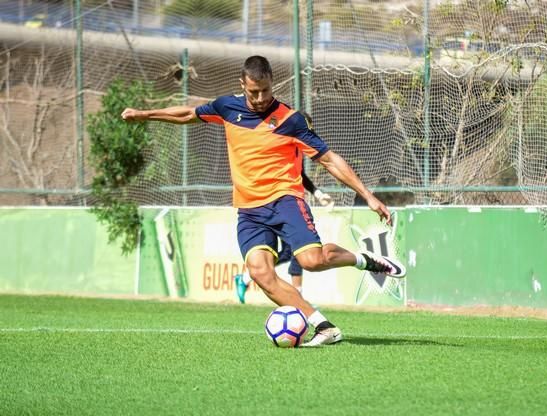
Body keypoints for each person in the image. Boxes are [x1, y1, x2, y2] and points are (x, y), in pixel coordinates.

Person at [121, 55, 405, 347]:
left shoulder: (290, 120)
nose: (259, 98)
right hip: (248, 209)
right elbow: (186, 115)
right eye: (253, 92)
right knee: (260, 273)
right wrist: (144, 115)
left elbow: (330, 159)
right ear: (241, 84)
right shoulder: (226, 107)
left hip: (285, 201)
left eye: (265, 91)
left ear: (272, 84)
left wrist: (368, 196)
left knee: (311, 261)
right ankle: (324, 327)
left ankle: (363, 260)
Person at [234, 168, 333, 304]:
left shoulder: (295, 151)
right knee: (297, 252)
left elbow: (298, 174)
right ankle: (299, 299)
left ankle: (246, 277)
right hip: (271, 207)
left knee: (290, 253)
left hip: (286, 206)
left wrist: (317, 193)